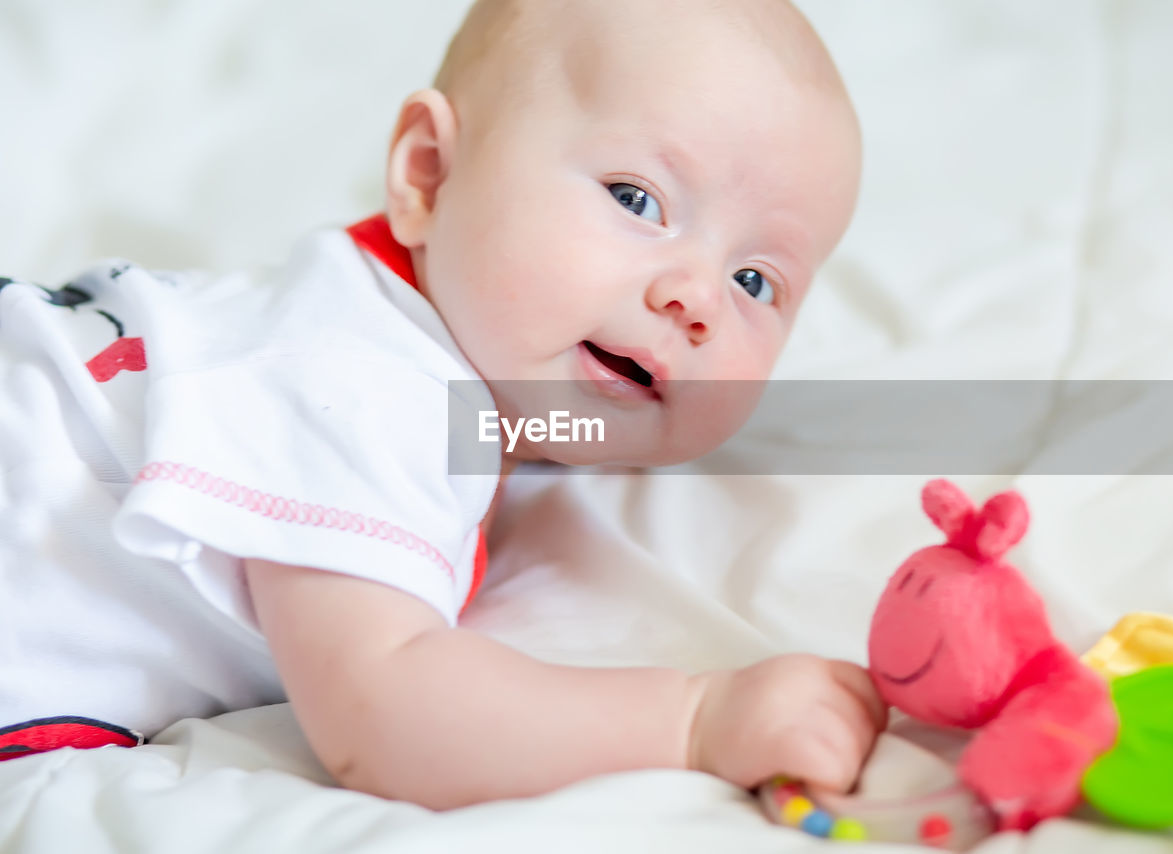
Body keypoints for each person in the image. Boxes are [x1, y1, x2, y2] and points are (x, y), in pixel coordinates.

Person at [0, 0, 883, 808]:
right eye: (636, 198)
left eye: (755, 279)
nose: (695, 296)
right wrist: (696, 718)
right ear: (428, 173)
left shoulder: (394, 341)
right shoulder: (366, 387)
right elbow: (384, 713)